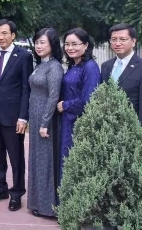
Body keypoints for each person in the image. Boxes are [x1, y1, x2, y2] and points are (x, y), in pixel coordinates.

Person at [0, 19, 33, 211]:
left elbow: (25, 88)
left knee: (16, 157)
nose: (0, 37)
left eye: (4, 33)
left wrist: (23, 117)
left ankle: (17, 193)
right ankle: (0, 189)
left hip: (13, 117)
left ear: (13, 35)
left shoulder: (23, 56)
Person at [27, 28, 64, 218]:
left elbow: (53, 96)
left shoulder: (54, 67)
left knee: (46, 162)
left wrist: (44, 123)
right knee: (36, 161)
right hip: (34, 119)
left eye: (43, 42)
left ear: (52, 44)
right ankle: (37, 202)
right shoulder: (40, 65)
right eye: (37, 42)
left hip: (45, 121)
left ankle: (48, 206)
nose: (39, 46)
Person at [57, 28, 101, 184]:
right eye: (67, 44)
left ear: (86, 45)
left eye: (75, 44)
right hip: (68, 121)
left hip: (80, 123)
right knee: (66, 160)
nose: (70, 48)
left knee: (76, 163)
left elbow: (89, 99)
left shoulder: (90, 67)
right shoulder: (74, 66)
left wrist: (65, 105)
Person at [101, 23, 142, 137]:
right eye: (114, 39)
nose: (117, 43)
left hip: (130, 132)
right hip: (106, 131)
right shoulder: (106, 66)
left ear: (133, 41)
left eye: (122, 39)